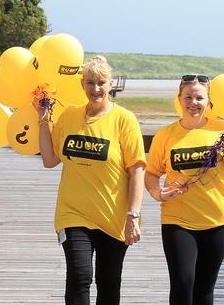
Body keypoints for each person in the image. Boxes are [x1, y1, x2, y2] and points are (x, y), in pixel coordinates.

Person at [36, 55, 146, 304]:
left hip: (113, 216)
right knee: (79, 276)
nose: (95, 89)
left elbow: (137, 170)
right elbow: (50, 159)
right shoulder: (69, 116)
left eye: (101, 83)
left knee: (108, 282)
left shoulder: (124, 120)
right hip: (73, 213)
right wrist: (43, 120)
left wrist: (133, 215)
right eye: (90, 83)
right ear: (82, 84)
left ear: (110, 84)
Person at [144, 74, 224, 305]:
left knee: (204, 289)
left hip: (218, 220)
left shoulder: (222, 132)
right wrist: (158, 193)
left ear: (208, 100)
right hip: (177, 220)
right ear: (179, 99)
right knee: (182, 283)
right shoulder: (166, 135)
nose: (194, 102)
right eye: (188, 97)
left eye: (199, 97)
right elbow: (151, 173)